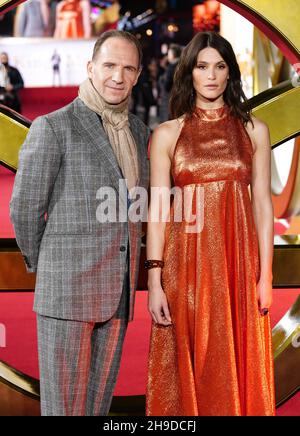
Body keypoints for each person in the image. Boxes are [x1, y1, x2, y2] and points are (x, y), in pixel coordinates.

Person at [10, 30, 150, 416]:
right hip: (67, 294)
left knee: (97, 408)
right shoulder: (54, 127)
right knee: (63, 409)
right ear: (90, 67)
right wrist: (53, 267)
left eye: (127, 68)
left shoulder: (138, 131)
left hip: (117, 295)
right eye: (109, 65)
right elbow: (24, 209)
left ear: (137, 75)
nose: (117, 76)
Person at [146, 31, 275, 416]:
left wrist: (265, 275)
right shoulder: (168, 134)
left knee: (239, 358)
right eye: (202, 67)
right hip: (185, 266)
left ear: (231, 74)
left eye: (220, 66)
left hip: (239, 265)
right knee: (192, 364)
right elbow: (156, 210)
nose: (211, 75)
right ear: (190, 73)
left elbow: (263, 205)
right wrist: (155, 279)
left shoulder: (255, 130)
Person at [158, 44, 182, 122]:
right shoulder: (181, 66)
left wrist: (161, 81)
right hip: (178, 99)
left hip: (170, 99)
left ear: (172, 54)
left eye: (169, 54)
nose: (167, 56)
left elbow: (166, 86)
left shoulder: (172, 67)